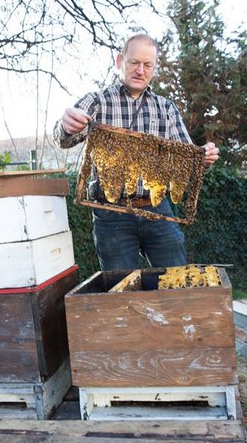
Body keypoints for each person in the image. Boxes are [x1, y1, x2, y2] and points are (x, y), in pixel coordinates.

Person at [54, 33, 219, 271]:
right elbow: (62, 139)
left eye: (147, 65)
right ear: (120, 61)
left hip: (156, 207)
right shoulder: (96, 101)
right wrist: (67, 126)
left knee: (175, 281)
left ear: (154, 68)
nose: (140, 70)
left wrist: (204, 157)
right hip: (111, 213)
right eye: (134, 63)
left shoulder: (166, 108)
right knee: (120, 289)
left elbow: (190, 159)